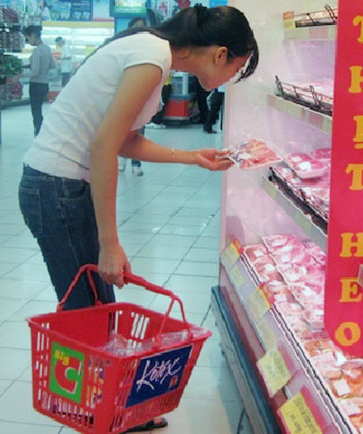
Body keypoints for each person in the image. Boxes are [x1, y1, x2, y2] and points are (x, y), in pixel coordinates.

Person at [18, 6, 257, 431]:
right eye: (237, 69)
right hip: (56, 186)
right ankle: (102, 413)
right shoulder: (151, 58)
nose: (229, 81)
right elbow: (104, 146)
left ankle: (109, 410)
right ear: (220, 54)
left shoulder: (154, 55)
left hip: (60, 185)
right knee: (86, 310)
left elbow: (125, 141)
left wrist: (192, 157)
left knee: (95, 307)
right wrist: (111, 243)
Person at [119, 16, 148, 176]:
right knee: (123, 128)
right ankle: (122, 157)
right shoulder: (123, 46)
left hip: (142, 95)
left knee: (139, 131)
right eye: (137, 27)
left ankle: (136, 163)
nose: (139, 30)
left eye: (142, 27)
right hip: (125, 94)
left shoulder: (149, 47)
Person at [24, 25, 55, 136]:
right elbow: (52, 65)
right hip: (45, 84)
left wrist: (20, 75)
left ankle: (39, 133)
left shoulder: (37, 51)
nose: (28, 41)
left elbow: (35, 72)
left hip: (36, 85)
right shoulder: (47, 48)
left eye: (27, 38)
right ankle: (41, 132)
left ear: (33, 36)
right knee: (40, 109)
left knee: (36, 111)